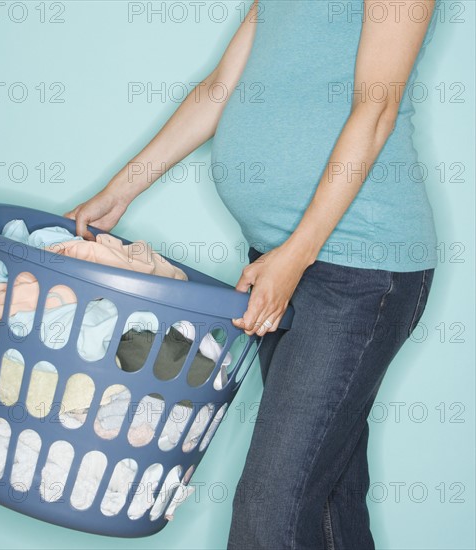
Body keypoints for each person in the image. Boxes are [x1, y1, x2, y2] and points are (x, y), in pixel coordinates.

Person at [65, 0, 441, 547]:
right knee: (331, 493)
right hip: (277, 261)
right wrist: (120, 190)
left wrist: (296, 255)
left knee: (272, 507)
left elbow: (376, 109)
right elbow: (220, 87)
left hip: (360, 269)